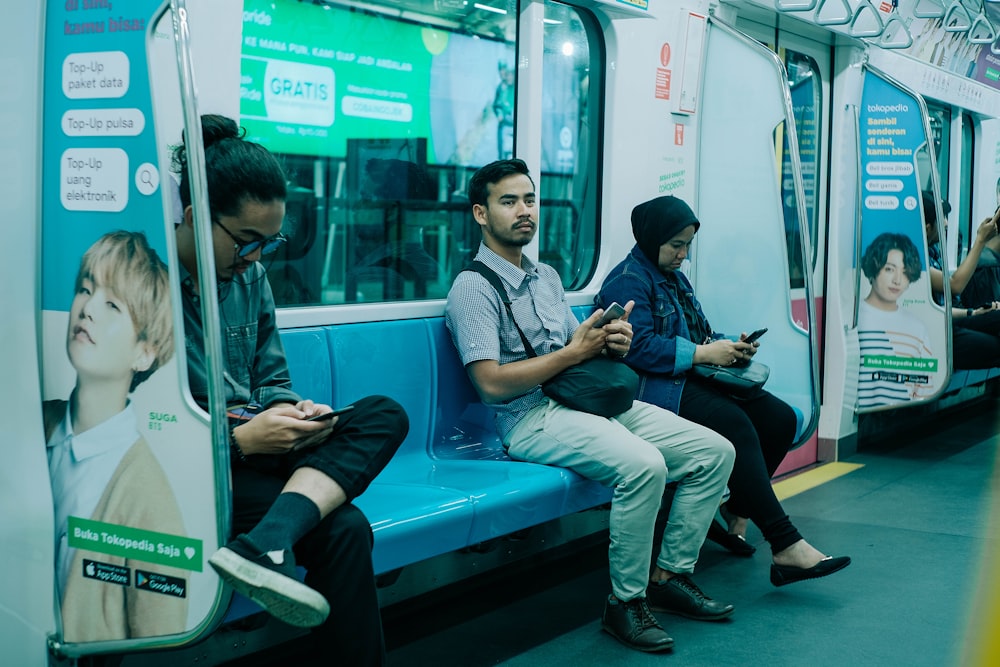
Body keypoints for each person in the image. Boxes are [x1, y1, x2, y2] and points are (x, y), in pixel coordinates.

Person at [445, 159, 736, 654]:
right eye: (508, 202)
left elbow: (575, 353)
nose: (524, 212)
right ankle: (625, 603)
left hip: (587, 401)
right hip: (530, 417)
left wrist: (608, 342)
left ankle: (669, 576)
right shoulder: (472, 288)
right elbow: (491, 385)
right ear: (480, 213)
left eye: (530, 200)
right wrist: (574, 352)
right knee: (645, 466)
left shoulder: (548, 277)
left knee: (715, 452)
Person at [173, 115, 408, 665]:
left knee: (383, 413)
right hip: (203, 464)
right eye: (246, 241)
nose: (255, 258)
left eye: (268, 243)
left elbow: (271, 377)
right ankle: (267, 541)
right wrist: (240, 443)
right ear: (193, 218)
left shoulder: (249, 278)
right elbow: (144, 422)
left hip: (262, 445)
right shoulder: (145, 284)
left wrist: (290, 409)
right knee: (345, 527)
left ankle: (264, 541)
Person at [597, 195, 850, 587]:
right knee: (736, 424)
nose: (683, 255)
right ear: (652, 239)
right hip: (652, 390)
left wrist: (730, 346)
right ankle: (784, 544)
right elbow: (637, 347)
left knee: (781, 419)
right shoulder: (628, 280)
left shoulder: (674, 278)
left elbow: (699, 332)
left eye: (687, 246)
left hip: (688, 377)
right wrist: (701, 353)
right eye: (676, 245)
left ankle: (735, 505)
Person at [44, 230, 188, 642]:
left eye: (112, 304)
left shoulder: (150, 501)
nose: (87, 308)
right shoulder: (31, 425)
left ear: (145, 352)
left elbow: (158, 644)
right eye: (84, 289)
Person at [921, 192, 1000, 370]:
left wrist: (973, 312)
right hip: (937, 332)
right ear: (927, 228)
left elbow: (943, 307)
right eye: (942, 219)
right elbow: (955, 286)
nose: (947, 224)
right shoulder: (913, 262)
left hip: (951, 319)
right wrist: (980, 239)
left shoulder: (933, 252)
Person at [857, 232, 937, 407]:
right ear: (873, 268)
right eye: (889, 269)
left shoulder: (917, 328)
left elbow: (923, 389)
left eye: (905, 272)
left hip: (899, 422)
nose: (897, 280)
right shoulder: (852, 317)